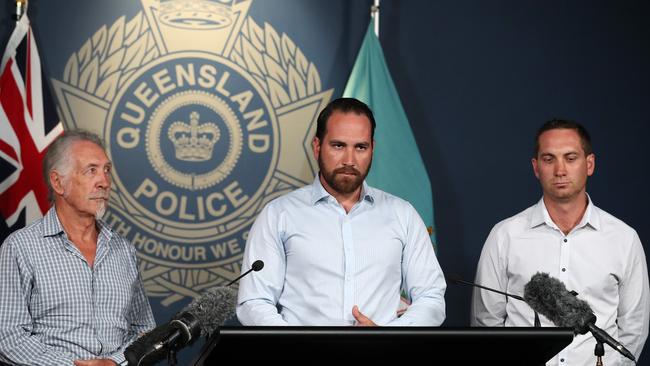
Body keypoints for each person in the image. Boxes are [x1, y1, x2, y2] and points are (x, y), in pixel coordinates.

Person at [236, 97, 446, 326]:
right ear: (317, 147)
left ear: (372, 149)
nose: (349, 160)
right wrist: (296, 347)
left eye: (360, 147)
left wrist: (389, 338)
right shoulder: (278, 215)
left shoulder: (402, 215)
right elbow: (254, 301)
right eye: (338, 146)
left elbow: (431, 297)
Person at [471, 119, 649, 365]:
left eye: (571, 157)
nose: (560, 170)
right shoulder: (505, 236)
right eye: (548, 159)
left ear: (589, 164)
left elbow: (634, 328)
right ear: (536, 167)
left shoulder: (623, 238)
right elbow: (486, 323)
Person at [0, 130, 156, 366]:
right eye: (91, 170)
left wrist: (114, 363)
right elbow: (8, 338)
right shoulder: (20, 248)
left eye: (106, 170)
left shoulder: (124, 251)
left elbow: (144, 330)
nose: (104, 182)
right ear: (58, 182)